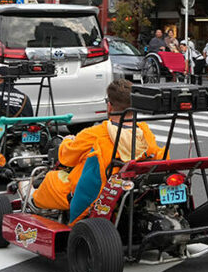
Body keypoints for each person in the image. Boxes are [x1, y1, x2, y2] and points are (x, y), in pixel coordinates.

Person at [30, 79, 167, 221]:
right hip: (134, 185)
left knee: (52, 178)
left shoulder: (95, 133)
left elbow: (66, 157)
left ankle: (33, 203)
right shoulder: (144, 132)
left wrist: (67, 141)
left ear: (109, 106)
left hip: (97, 192)